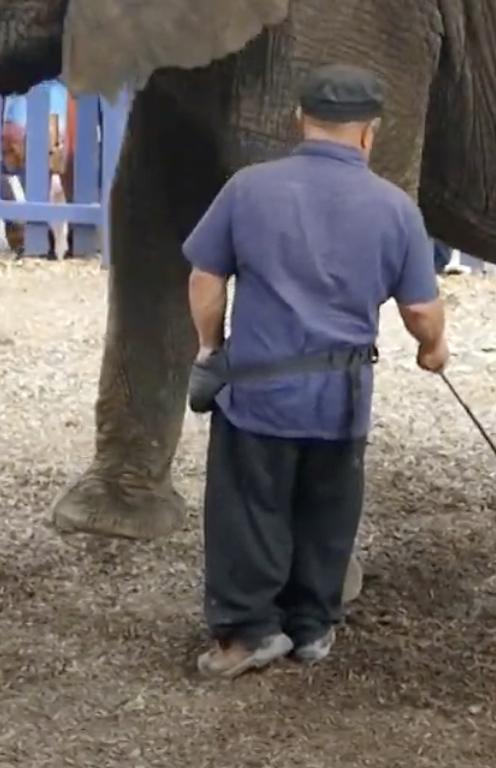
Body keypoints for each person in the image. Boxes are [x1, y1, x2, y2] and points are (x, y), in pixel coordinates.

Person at [181, 64, 449, 679]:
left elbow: (205, 275)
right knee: (327, 509)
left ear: (300, 119)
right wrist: (432, 350)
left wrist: (209, 346)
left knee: (250, 505)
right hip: (342, 396)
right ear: (369, 133)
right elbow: (419, 308)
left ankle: (250, 632)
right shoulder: (395, 208)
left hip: (257, 390)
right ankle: (311, 628)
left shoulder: (248, 189)